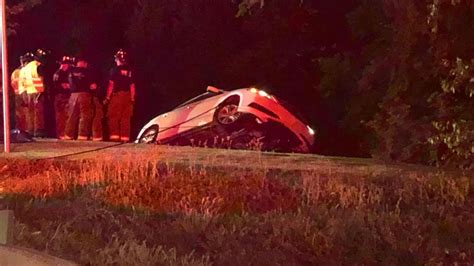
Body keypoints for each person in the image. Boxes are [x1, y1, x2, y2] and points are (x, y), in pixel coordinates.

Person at [104, 49, 136, 142]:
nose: (115, 61)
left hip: (117, 96)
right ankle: (125, 138)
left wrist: (107, 97)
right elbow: (132, 85)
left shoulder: (114, 70)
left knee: (113, 116)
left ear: (118, 59)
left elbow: (111, 84)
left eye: (116, 59)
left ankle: (115, 138)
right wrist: (132, 98)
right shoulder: (130, 71)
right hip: (128, 96)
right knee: (126, 118)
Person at [64, 57, 97, 140]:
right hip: (84, 94)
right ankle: (82, 135)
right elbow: (93, 86)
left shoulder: (70, 71)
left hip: (73, 95)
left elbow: (66, 85)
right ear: (83, 62)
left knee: (71, 115)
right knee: (85, 115)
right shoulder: (87, 72)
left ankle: (68, 134)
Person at [19, 49, 46, 137]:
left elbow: (22, 82)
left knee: (30, 113)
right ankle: (38, 130)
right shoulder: (36, 65)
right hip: (38, 91)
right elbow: (41, 78)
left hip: (28, 92)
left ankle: (30, 130)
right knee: (38, 113)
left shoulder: (24, 69)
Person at [53, 55, 74, 139]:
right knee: (62, 116)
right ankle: (62, 134)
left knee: (64, 116)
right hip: (62, 96)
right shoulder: (60, 73)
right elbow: (64, 86)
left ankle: (63, 134)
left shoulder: (60, 72)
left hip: (63, 96)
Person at [11, 53, 32, 131]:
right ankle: (22, 129)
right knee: (22, 113)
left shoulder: (19, 71)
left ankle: (25, 129)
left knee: (23, 113)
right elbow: (14, 83)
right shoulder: (18, 71)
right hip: (22, 93)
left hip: (22, 93)